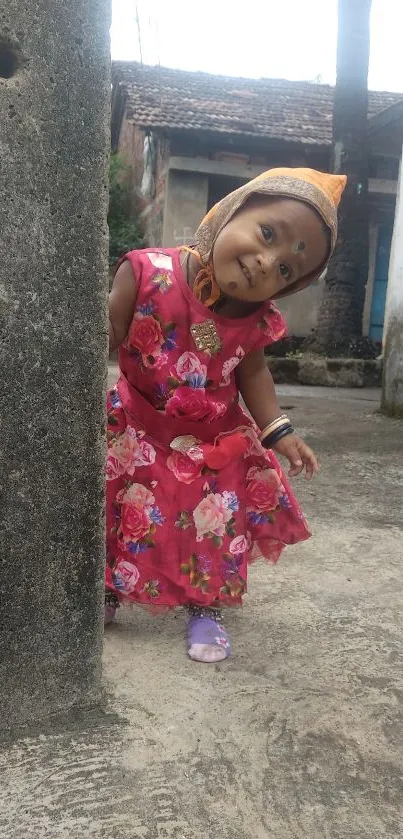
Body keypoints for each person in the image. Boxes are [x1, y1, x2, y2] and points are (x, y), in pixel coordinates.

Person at [106, 166, 346, 663]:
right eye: (267, 234)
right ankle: (107, 588)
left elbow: (253, 376)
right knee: (119, 513)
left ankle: (206, 605)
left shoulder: (255, 322)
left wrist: (278, 430)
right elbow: (106, 333)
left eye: (286, 270)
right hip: (136, 427)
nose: (266, 262)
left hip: (212, 442)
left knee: (211, 527)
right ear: (231, 209)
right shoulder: (146, 272)